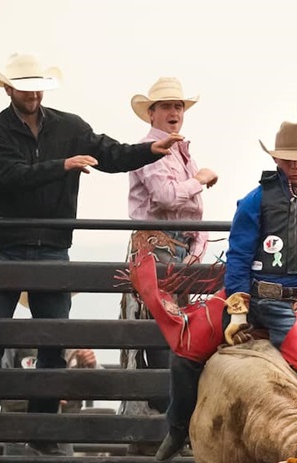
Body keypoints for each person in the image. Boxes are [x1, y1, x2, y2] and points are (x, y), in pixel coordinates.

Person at [154, 87, 297, 461]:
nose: (295, 168)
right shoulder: (254, 200)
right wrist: (238, 305)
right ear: (276, 159)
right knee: (185, 350)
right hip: (253, 297)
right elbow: (241, 255)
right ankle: (178, 427)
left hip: (296, 305)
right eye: (289, 161)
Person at [0, 52, 181, 455]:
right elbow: (11, 177)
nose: (34, 93)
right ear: (8, 89)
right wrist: (63, 165)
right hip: (6, 247)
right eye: (25, 86)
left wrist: (149, 151)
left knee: (55, 340)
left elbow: (109, 153)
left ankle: (43, 432)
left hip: (51, 247)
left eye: (38, 86)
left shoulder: (69, 126)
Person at [120, 77, 218, 440]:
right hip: (157, 248)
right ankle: (164, 422)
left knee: (171, 334)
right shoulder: (151, 148)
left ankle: (167, 422)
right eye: (167, 107)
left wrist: (196, 247)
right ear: (152, 113)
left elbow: (187, 208)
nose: (174, 112)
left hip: (173, 248)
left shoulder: (178, 150)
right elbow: (164, 196)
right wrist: (203, 179)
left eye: (178, 106)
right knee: (162, 335)